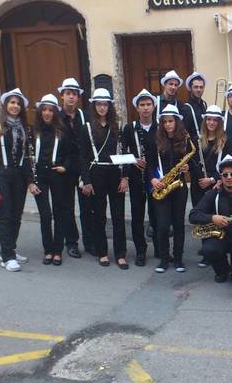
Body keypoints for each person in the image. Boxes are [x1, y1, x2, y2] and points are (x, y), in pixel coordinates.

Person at [79, 88, 129, 269]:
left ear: (110, 106)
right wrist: (87, 181)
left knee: (118, 215)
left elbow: (124, 152)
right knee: (99, 215)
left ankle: (121, 253)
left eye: (105, 104)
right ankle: (102, 252)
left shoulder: (117, 127)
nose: (102, 108)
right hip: (96, 173)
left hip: (115, 173)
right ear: (94, 106)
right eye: (99, 104)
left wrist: (125, 178)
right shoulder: (86, 128)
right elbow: (83, 157)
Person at [0, 88, 32, 272]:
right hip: (2, 175)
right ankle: (7, 256)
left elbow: (27, 155)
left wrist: (29, 179)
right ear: (6, 105)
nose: (15, 106)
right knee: (5, 215)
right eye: (12, 102)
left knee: (16, 215)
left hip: (19, 175)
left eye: (18, 103)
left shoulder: (24, 127)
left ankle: (9, 248)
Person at [30, 94, 78, 266]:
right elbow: (28, 156)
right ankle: (47, 250)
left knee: (60, 212)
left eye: (51, 110)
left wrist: (65, 166)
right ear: (40, 111)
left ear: (55, 112)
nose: (48, 113)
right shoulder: (33, 130)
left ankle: (57, 251)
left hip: (57, 174)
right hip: (40, 176)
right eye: (45, 110)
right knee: (45, 214)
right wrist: (31, 181)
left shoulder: (63, 130)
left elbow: (73, 152)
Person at [148, 104, 197, 273]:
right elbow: (150, 163)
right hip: (162, 185)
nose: (168, 124)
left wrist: (187, 167)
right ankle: (163, 259)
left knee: (178, 224)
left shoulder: (185, 140)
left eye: (171, 121)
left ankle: (178, 259)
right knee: (162, 225)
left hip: (179, 186)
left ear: (177, 122)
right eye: (165, 121)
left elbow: (192, 161)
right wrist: (153, 179)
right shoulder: (155, 139)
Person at [122, 89, 159, 266]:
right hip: (137, 178)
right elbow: (122, 153)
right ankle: (141, 251)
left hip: (155, 179)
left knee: (157, 214)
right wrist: (133, 161)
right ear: (137, 108)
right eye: (142, 105)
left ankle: (160, 248)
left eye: (148, 105)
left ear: (154, 106)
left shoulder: (160, 126)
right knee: (137, 216)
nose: (145, 108)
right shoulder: (129, 128)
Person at [190, 105, 231, 268]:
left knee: (214, 217)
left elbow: (227, 165)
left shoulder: (225, 141)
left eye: (215, 120)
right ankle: (206, 251)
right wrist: (201, 178)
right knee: (202, 218)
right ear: (205, 121)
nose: (211, 122)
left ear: (219, 122)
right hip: (198, 185)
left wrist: (212, 179)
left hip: (215, 186)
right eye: (209, 119)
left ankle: (214, 251)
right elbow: (193, 163)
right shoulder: (196, 140)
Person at [58, 77, 91, 258]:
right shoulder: (56, 116)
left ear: (78, 97)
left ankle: (90, 241)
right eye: (68, 93)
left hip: (83, 166)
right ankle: (71, 242)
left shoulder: (85, 116)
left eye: (74, 94)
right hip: (64, 168)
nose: (71, 97)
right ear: (62, 95)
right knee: (67, 207)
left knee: (87, 206)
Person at [183, 72, 208, 142]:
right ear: (190, 88)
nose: (199, 90)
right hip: (194, 147)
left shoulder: (204, 104)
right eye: (196, 87)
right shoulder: (186, 108)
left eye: (201, 87)